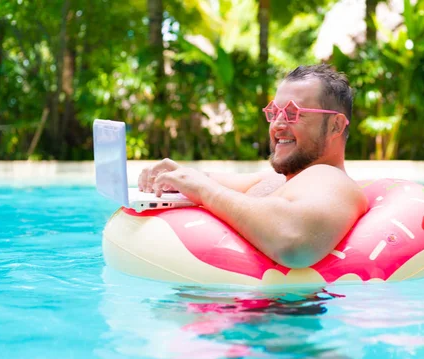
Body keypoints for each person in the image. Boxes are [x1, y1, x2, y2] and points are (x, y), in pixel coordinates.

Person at [138, 64, 368, 269]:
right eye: (274, 112)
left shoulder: (332, 180)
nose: (277, 124)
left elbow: (295, 243)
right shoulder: (279, 180)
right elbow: (209, 180)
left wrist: (203, 190)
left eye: (292, 114)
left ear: (335, 126)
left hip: (276, 314)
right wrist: (175, 176)